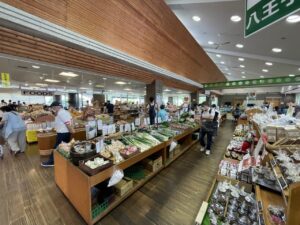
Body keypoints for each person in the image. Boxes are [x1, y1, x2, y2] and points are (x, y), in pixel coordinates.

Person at [41, 101, 74, 167]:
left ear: (55, 107)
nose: (52, 109)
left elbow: (67, 123)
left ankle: (51, 162)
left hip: (63, 133)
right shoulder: (64, 112)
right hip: (64, 132)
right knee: (64, 147)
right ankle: (63, 160)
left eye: (52, 108)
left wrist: (72, 131)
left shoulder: (61, 113)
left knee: (57, 148)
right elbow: (71, 120)